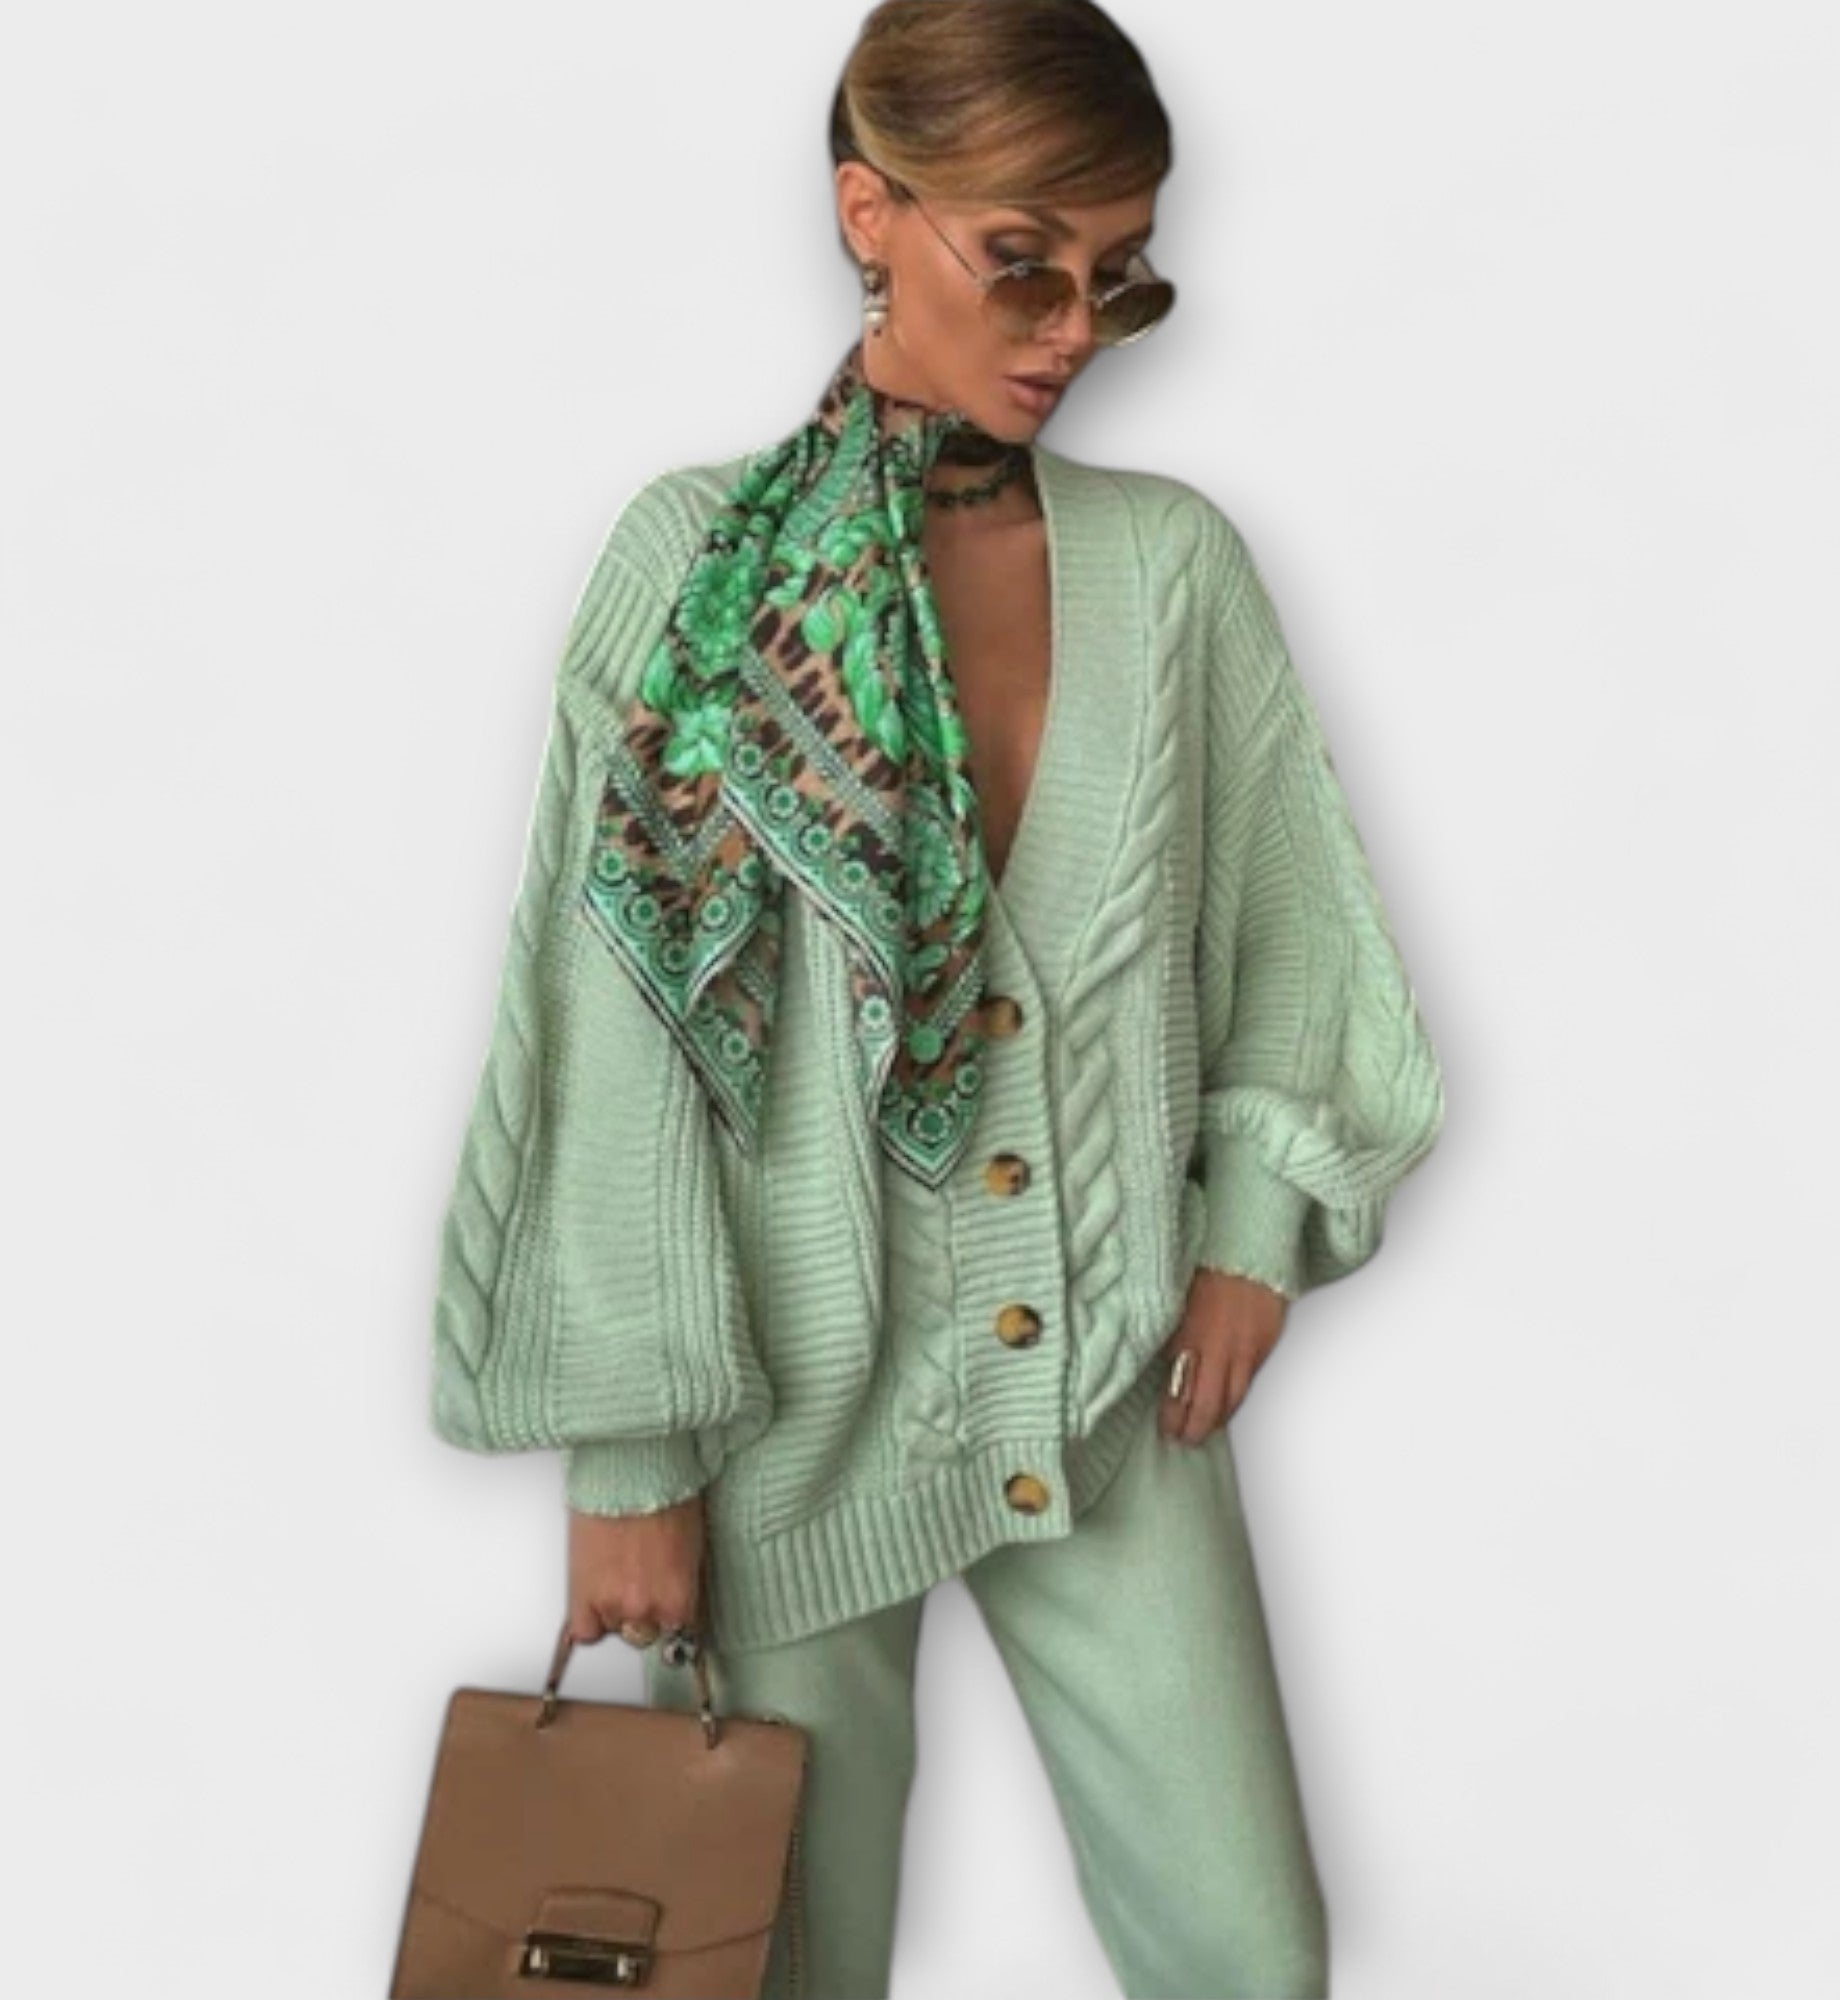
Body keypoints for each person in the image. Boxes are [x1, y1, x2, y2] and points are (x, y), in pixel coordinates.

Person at [427, 2, 1446, 1992]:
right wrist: (630, 1459)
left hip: (1114, 1381)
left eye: (1119, 277)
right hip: (792, 1414)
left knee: (1248, 1952)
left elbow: (1295, 930)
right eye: (1023, 262)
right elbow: (615, 1035)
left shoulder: (1173, 569)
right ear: (867, 214)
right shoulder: (693, 569)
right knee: (787, 1957)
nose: (1072, 330)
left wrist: (1252, 1226)